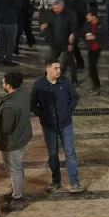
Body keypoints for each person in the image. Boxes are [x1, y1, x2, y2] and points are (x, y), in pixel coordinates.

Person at [30, 59, 84, 193]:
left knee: (70, 153)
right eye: (55, 68)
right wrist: (43, 115)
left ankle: (75, 182)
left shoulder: (65, 82)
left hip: (65, 124)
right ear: (47, 69)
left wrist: (68, 111)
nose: (59, 70)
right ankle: (56, 180)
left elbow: (74, 97)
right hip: (49, 126)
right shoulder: (39, 85)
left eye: (59, 68)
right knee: (53, 154)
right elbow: (32, 104)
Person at [0, 71, 33, 212]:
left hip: (13, 142)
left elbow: (6, 128)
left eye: (3, 82)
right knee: (17, 168)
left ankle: (17, 198)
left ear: (9, 86)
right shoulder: (23, 93)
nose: (2, 84)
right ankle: (18, 192)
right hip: (23, 136)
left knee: (14, 170)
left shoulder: (10, 106)